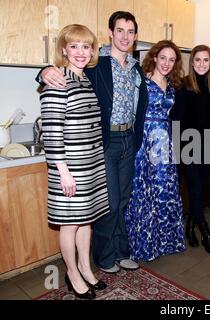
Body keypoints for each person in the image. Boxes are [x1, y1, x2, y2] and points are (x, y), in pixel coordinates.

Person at [38, 11, 148, 273]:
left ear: (135, 36)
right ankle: (105, 257)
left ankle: (122, 252)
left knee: (122, 201)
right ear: (110, 33)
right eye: (119, 30)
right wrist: (44, 72)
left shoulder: (136, 67)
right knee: (108, 202)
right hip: (105, 141)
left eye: (130, 32)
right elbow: (62, 71)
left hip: (128, 139)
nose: (125, 36)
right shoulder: (96, 63)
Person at [40, 24, 108, 299]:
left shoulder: (84, 79)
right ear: (64, 50)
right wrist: (64, 173)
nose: (81, 52)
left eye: (86, 46)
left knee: (86, 221)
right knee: (70, 224)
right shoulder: (57, 82)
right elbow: (52, 132)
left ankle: (85, 268)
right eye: (74, 46)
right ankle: (72, 273)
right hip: (70, 169)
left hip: (90, 165)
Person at [124, 40, 186, 262]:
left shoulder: (171, 84)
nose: (167, 63)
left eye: (171, 60)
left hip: (164, 144)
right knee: (144, 192)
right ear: (154, 57)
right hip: (144, 142)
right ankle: (143, 245)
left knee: (164, 189)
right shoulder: (140, 80)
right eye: (163, 58)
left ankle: (165, 242)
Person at [172, 45, 210, 255]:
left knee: (198, 191)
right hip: (188, 148)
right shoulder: (184, 87)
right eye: (198, 60)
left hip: (208, 148)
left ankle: (189, 228)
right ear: (191, 63)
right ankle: (205, 232)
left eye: (206, 60)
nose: (202, 64)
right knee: (194, 190)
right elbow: (176, 120)